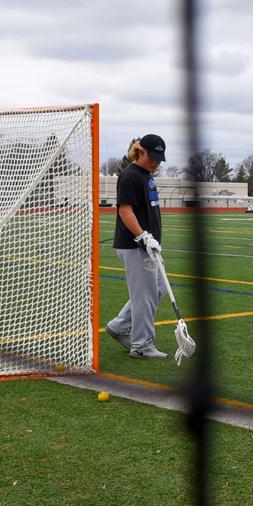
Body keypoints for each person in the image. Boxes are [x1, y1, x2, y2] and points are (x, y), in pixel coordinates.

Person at [106, 134, 168, 360]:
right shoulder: (131, 176)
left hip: (148, 245)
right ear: (140, 152)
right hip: (135, 246)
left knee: (157, 288)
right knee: (145, 295)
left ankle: (119, 326)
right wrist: (142, 236)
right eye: (152, 157)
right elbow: (125, 210)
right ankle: (142, 345)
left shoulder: (146, 175)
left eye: (159, 159)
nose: (156, 162)